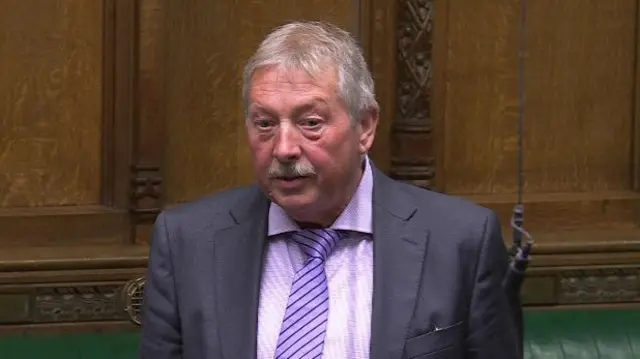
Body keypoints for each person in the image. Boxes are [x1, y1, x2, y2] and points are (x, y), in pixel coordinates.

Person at [139, 21, 520, 359]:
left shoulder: (460, 242)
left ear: (365, 127)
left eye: (310, 122)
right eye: (265, 124)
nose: (284, 148)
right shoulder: (188, 242)